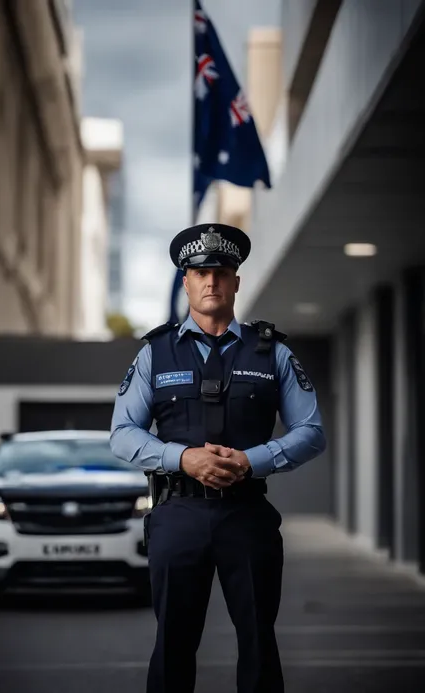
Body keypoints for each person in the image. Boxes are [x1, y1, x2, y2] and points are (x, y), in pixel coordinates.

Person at [110, 222, 326, 693]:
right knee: (173, 643)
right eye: (200, 272)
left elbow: (311, 432)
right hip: (177, 514)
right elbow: (122, 434)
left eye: (222, 271)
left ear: (236, 281)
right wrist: (182, 458)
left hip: (246, 516)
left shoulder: (273, 352)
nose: (211, 281)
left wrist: (253, 460)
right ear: (186, 281)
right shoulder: (155, 352)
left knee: (257, 641)